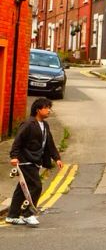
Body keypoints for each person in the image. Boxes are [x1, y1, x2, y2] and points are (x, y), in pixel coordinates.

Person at [6, 97, 63, 227]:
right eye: (46, 108)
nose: (49, 110)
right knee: (36, 186)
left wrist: (57, 158)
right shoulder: (28, 124)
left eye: (50, 108)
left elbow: (49, 144)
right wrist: (14, 156)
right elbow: (17, 141)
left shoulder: (45, 125)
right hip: (26, 161)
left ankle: (12, 215)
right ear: (38, 110)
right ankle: (28, 214)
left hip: (36, 161)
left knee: (22, 189)